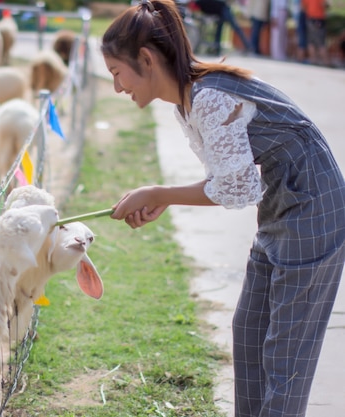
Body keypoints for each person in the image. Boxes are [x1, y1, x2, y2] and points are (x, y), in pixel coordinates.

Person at [100, 1, 345, 416]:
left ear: (146, 59)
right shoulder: (188, 102)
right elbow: (229, 179)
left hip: (314, 209)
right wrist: (160, 196)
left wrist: (159, 193)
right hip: (280, 204)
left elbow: (236, 188)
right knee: (248, 332)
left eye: (116, 72)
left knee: (286, 359)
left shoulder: (210, 96)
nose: (117, 87)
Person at [302, 0, 330, 65]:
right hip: (319, 19)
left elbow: (303, 7)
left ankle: (313, 61)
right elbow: (325, 5)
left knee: (311, 41)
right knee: (321, 42)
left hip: (310, 19)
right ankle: (326, 62)